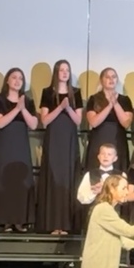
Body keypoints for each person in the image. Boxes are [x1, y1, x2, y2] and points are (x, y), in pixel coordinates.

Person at [0, 67, 38, 232]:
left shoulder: (27, 101)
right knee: (4, 179)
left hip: (21, 144)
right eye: (14, 77)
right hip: (5, 144)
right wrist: (16, 109)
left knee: (20, 181)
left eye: (20, 78)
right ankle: (5, 220)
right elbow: (0, 123)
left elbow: (34, 124)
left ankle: (20, 220)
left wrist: (22, 108)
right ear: (7, 80)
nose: (17, 81)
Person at [37, 59, 84, 235]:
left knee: (68, 180)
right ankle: (53, 224)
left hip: (69, 141)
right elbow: (45, 120)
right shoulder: (48, 93)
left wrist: (68, 109)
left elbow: (78, 120)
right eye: (61, 70)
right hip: (54, 140)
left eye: (67, 70)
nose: (64, 73)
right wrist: (60, 107)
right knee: (54, 180)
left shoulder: (76, 93)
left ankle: (66, 225)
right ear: (56, 73)